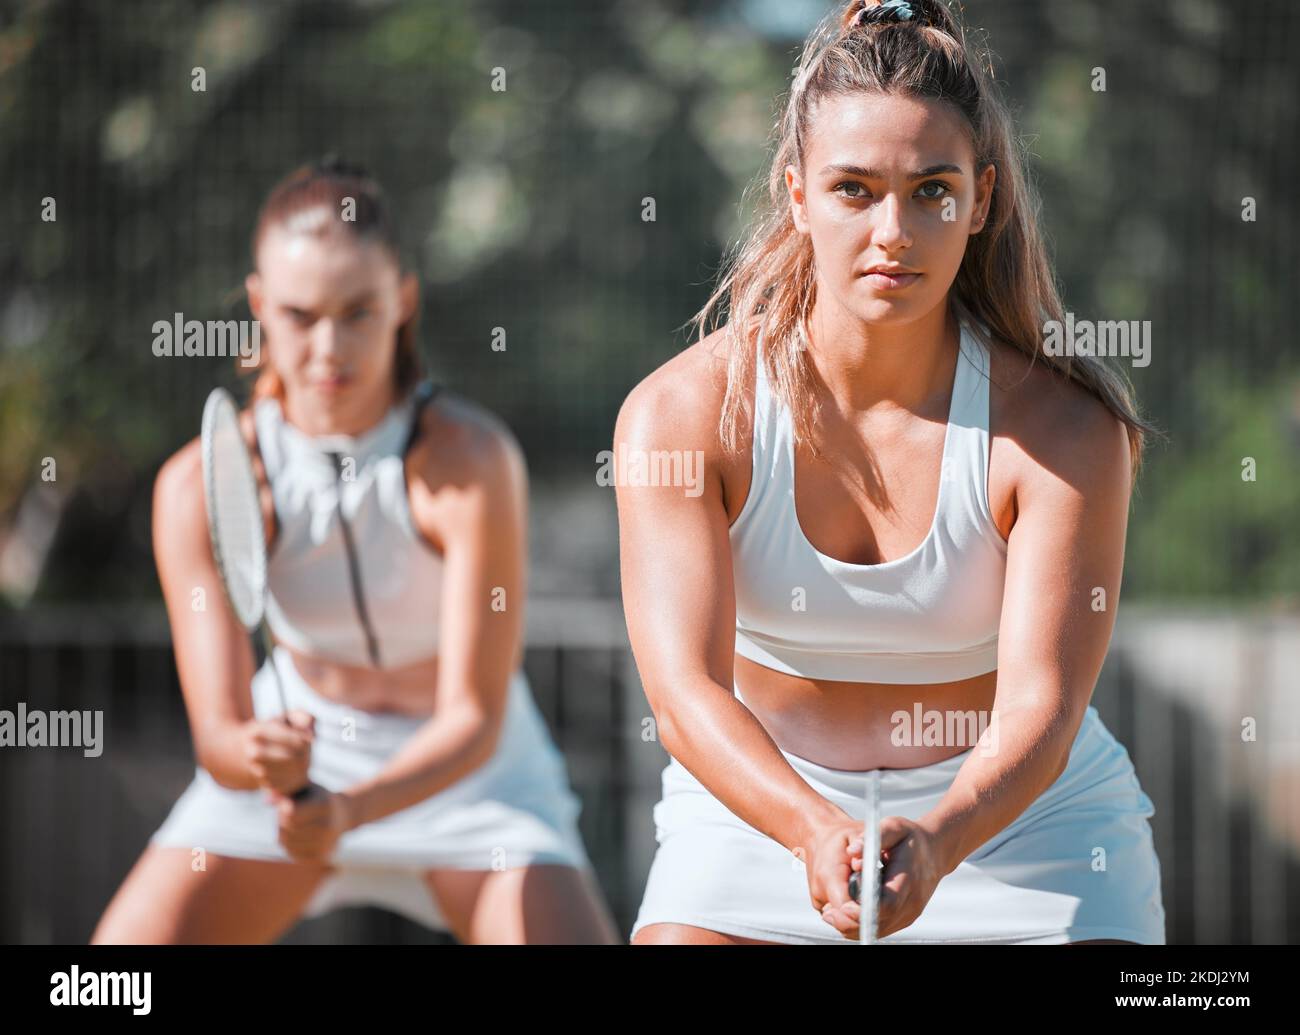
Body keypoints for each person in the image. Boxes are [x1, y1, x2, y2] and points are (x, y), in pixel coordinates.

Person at [615, 0, 1167, 944]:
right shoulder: (681, 416)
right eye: (854, 189)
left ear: (981, 199)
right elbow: (684, 695)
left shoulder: (1067, 434)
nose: (894, 231)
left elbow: (1045, 704)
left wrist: (941, 836)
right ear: (796, 193)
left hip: (1019, 822)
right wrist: (812, 829)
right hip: (764, 814)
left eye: (932, 190)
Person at [93, 158, 618, 945]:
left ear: (403, 301)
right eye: (301, 315)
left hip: (472, 777)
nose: (329, 347)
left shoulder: (473, 460)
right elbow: (220, 737)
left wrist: (347, 812)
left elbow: (472, 718)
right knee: (104, 984)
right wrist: (258, 756)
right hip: (299, 777)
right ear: (259, 306)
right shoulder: (195, 486)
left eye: (358, 311)